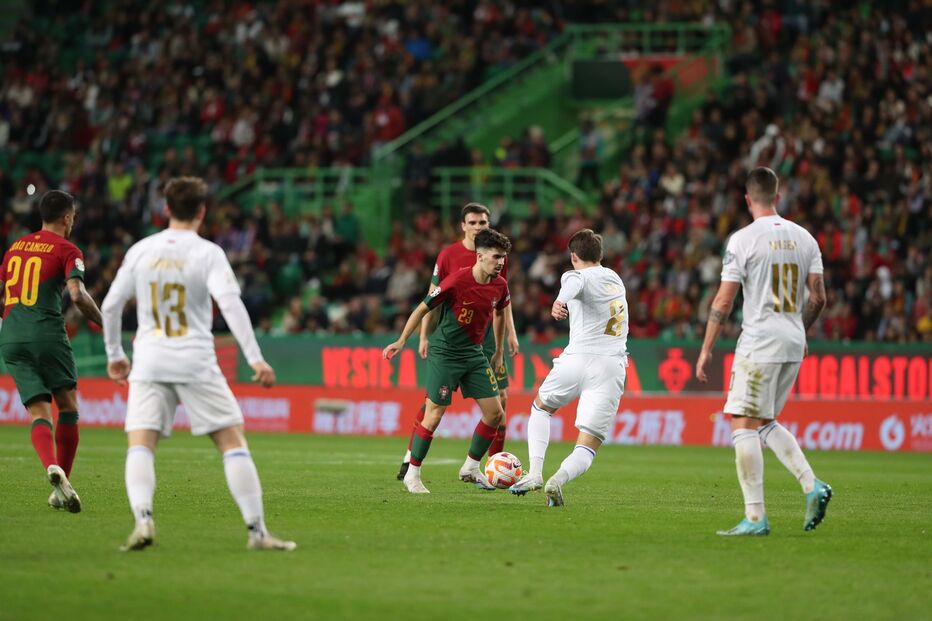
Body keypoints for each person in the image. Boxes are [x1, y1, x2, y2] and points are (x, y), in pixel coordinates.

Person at [101, 176, 295, 552]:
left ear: (167, 209)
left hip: (150, 359)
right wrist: (255, 358)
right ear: (203, 212)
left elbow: (109, 305)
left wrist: (115, 356)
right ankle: (257, 532)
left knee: (141, 443)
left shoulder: (141, 250)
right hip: (195, 360)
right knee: (231, 441)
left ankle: (143, 520)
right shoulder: (208, 253)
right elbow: (231, 305)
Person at [696, 166, 832, 536]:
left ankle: (755, 517)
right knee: (764, 421)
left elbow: (723, 301)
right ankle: (812, 485)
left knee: (742, 421)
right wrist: (799, 329)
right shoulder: (805, 238)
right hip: (791, 340)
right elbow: (818, 297)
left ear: (746, 199)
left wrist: (707, 347)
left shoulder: (743, 239)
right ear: (778, 195)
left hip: (760, 342)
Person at [396, 203, 519, 481]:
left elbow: (501, 308)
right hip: (449, 344)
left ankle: (480, 467)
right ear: (463, 226)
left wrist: (505, 341)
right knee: (434, 408)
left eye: (483, 223)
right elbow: (428, 302)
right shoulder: (451, 262)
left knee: (498, 406)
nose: (478, 227)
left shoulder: (498, 273)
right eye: (473, 222)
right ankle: (411, 468)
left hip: (480, 344)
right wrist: (413, 337)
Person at [509, 229, 629, 506]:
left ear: (573, 256)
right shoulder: (616, 279)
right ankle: (558, 480)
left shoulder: (574, 275)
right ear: (601, 255)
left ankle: (535, 473)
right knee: (588, 445)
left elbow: (574, 282)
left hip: (576, 360)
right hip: (611, 366)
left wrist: (560, 301)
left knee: (541, 408)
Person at [0, 190, 103, 513]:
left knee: (38, 413)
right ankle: (64, 478)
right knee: (68, 406)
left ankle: (51, 468)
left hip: (12, 335)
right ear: (67, 218)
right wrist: (105, 322)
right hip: (46, 333)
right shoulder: (68, 250)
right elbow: (77, 294)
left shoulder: (15, 247)